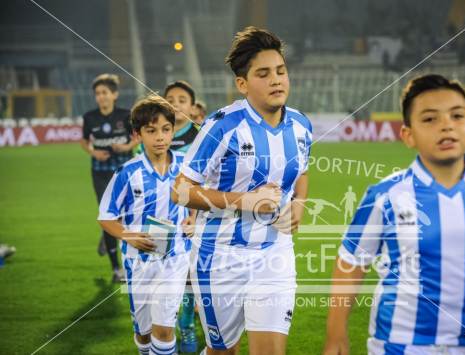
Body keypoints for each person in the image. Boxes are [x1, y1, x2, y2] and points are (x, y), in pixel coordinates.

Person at [323, 74, 465, 355]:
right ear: (408, 135)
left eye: (456, 116)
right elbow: (351, 261)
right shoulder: (385, 195)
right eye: (430, 119)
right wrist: (336, 333)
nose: (446, 125)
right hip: (400, 346)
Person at [172, 26, 312, 355]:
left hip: (275, 254)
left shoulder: (301, 125)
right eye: (263, 74)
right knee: (224, 351)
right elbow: (180, 191)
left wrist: (299, 204)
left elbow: (302, 169)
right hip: (219, 257)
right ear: (242, 84)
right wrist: (245, 202)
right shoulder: (222, 125)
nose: (276, 80)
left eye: (280, 71)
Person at [98, 95, 192, 355]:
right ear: (138, 135)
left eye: (165, 129)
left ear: (173, 131)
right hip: (138, 261)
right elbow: (106, 216)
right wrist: (127, 235)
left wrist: (193, 218)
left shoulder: (187, 168)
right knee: (144, 332)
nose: (160, 137)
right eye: (151, 131)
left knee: (164, 329)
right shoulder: (127, 173)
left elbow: (200, 199)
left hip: (175, 258)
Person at [80, 74, 137, 283]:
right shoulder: (90, 117)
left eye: (105, 93)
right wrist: (93, 152)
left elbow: (138, 136)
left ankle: (108, 236)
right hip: (100, 172)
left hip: (124, 171)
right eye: (98, 94)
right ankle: (116, 269)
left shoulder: (126, 115)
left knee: (126, 215)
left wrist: (126, 147)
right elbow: (84, 141)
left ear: (114, 94)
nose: (101, 97)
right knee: (108, 215)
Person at [163, 80, 200, 352]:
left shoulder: (200, 136)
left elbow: (205, 181)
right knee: (159, 274)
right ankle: (163, 332)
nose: (175, 103)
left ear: (192, 106)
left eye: (182, 99)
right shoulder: (154, 133)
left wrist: (194, 216)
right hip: (159, 218)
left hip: (189, 218)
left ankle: (186, 326)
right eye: (170, 99)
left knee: (187, 276)